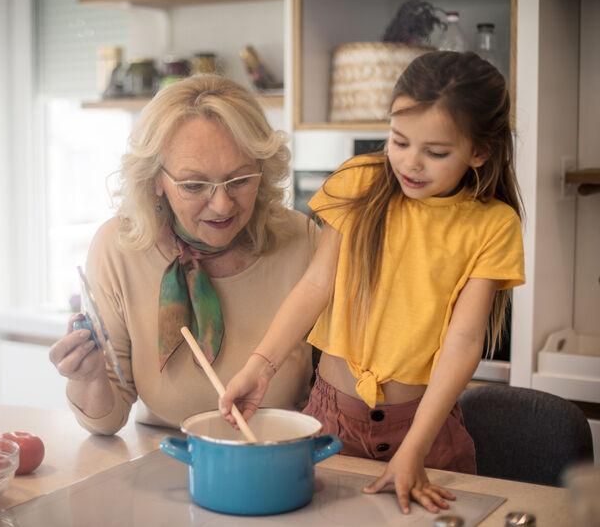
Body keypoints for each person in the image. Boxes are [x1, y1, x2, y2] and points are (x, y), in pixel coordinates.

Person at [220, 51, 524, 514]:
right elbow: (314, 287)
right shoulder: (358, 183)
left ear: (479, 151)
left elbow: (463, 342)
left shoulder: (493, 225)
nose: (411, 163)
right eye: (399, 141)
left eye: (436, 152)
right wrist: (260, 367)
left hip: (424, 431)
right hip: (330, 420)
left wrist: (415, 449)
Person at [49, 74, 316, 435]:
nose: (222, 205)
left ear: (264, 169)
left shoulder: (303, 243)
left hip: (272, 455)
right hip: (160, 458)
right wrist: (89, 376)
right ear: (156, 180)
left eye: (239, 181)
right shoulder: (120, 248)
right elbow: (106, 422)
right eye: (193, 185)